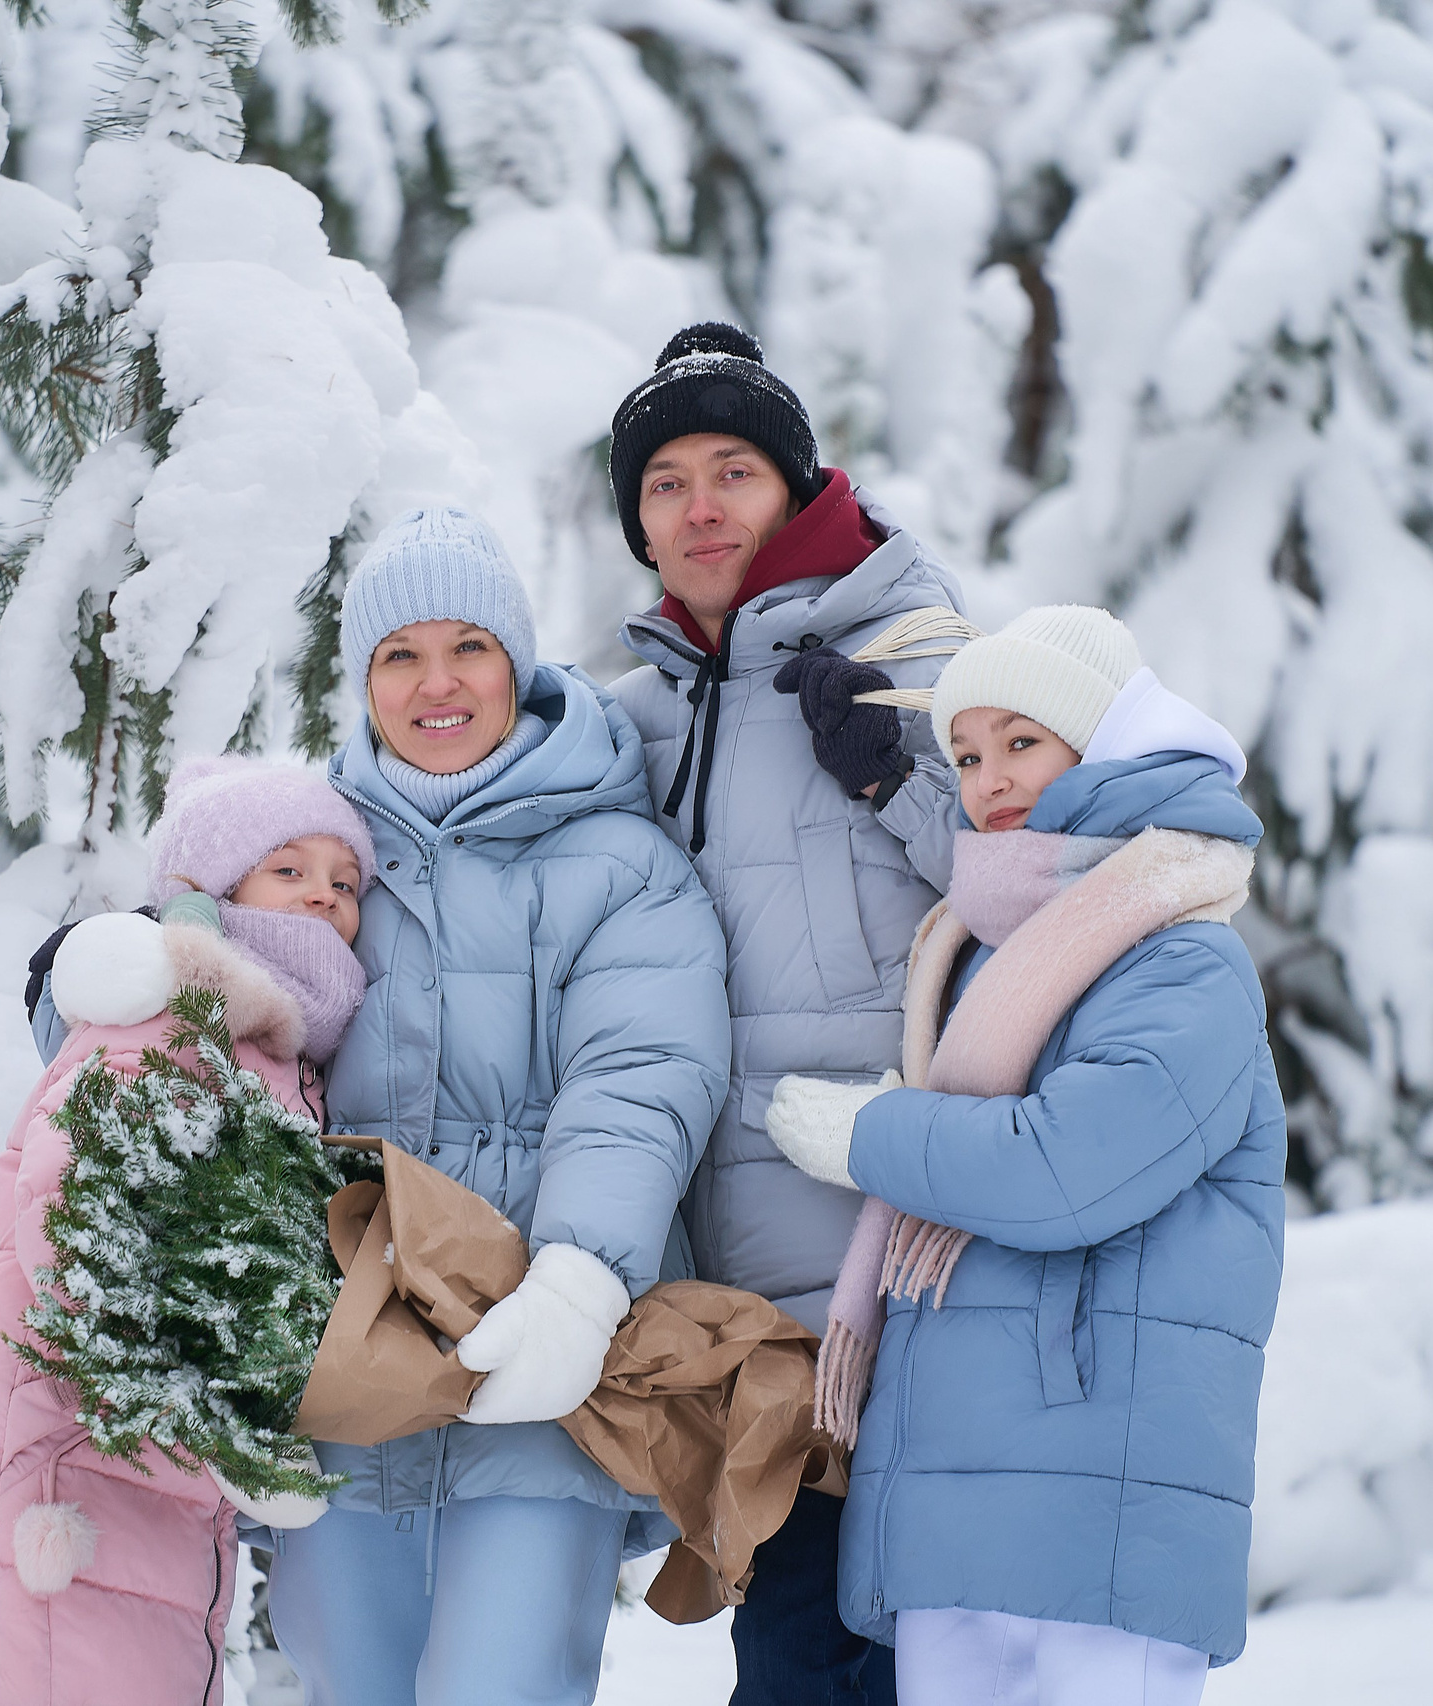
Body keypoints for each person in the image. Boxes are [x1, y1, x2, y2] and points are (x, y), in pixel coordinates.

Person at [251, 503, 732, 1706]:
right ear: (363, 681)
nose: (437, 683)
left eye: (468, 645)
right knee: (348, 1679)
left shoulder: (622, 863)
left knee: (502, 1685)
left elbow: (640, 1080)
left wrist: (581, 1275)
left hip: (538, 1364)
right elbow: (194, 1015)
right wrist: (88, 974)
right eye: (398, 655)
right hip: (342, 1368)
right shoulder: (311, 851)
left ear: (518, 660)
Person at [765, 606, 1287, 1706]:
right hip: (964, 1491)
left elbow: (1066, 1166)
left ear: (1101, 744)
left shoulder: (1180, 952)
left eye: (1022, 741)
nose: (988, 778)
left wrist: (872, 1136)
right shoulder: (982, 944)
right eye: (964, 753)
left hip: (1100, 1494)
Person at [608, 320, 964, 1702]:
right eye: (664, 483)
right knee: (798, 1660)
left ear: (794, 486)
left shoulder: (914, 646)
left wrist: (894, 776)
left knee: (915, 1655)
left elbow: (1051, 878)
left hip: (911, 1267)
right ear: (638, 525)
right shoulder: (627, 718)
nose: (700, 507)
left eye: (732, 469)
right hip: (746, 1319)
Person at [0, 762, 379, 1706]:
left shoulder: (258, 1048)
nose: (324, 890)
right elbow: (75, 1235)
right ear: (213, 890)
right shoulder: (169, 1017)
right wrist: (221, 1437)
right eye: (288, 868)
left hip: (133, 1486)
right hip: (59, 1485)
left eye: (346, 878)